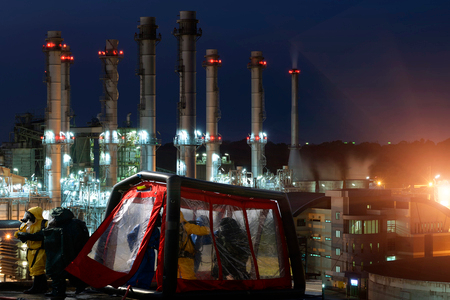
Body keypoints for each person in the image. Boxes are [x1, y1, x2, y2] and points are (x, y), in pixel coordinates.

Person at [18, 207, 89, 298]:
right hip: (72, 255)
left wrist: (27, 236)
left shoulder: (57, 227)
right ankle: (78, 288)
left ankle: (58, 293)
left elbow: (42, 235)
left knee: (56, 274)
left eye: (52, 217)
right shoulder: (74, 224)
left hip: (59, 255)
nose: (50, 219)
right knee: (70, 273)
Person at [15, 206, 48, 294]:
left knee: (38, 269)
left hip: (40, 250)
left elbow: (42, 235)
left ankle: (35, 288)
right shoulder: (29, 224)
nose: (28, 217)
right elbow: (17, 233)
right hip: (30, 250)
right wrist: (22, 230)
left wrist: (29, 236)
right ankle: (43, 287)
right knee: (34, 269)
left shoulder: (44, 223)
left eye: (29, 215)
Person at [126, 214, 161, 289]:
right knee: (137, 268)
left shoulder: (155, 230)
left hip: (150, 251)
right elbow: (130, 236)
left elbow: (158, 243)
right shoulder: (141, 227)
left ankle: (144, 287)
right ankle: (130, 286)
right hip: (142, 251)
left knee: (149, 270)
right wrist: (134, 249)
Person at [178, 211, 210, 279]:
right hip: (185, 257)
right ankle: (187, 289)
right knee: (189, 278)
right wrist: (205, 226)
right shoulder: (187, 226)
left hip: (170, 259)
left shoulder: (166, 227)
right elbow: (204, 231)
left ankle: (176, 289)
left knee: (173, 279)